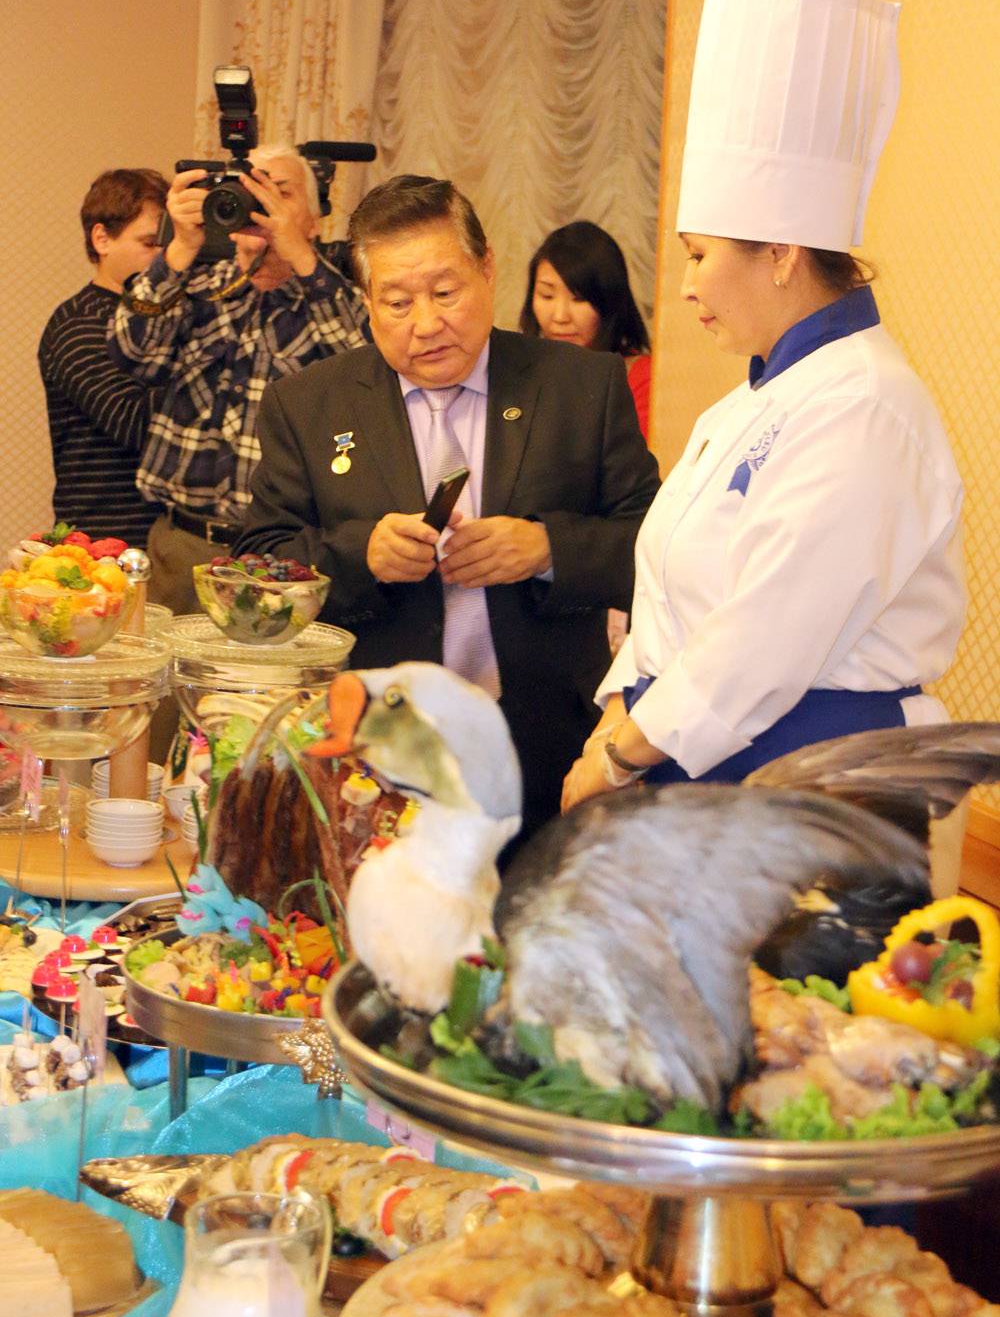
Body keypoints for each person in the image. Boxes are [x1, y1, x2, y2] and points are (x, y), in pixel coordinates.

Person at [562, 0, 965, 816]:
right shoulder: (741, 407)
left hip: (814, 787)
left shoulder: (866, 407)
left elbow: (761, 640)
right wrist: (613, 719)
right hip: (689, 768)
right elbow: (666, 604)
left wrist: (618, 759)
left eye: (699, 254)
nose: (686, 286)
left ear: (780, 253)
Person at [234, 174, 660, 839]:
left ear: (487, 269)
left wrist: (547, 550)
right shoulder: (309, 405)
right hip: (374, 755)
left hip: (548, 749)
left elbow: (657, 549)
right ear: (366, 302)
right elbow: (259, 567)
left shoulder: (581, 386)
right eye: (397, 302)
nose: (426, 324)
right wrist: (361, 555)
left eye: (444, 292)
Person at [108, 144, 368, 614]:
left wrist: (299, 254)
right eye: (247, 192)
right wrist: (180, 246)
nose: (259, 205)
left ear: (314, 220)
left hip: (285, 556)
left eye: (279, 193)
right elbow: (133, 352)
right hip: (181, 548)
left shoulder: (336, 299)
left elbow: (366, 365)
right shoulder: (195, 288)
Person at [38, 168, 168, 545]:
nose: (164, 256)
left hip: (164, 540)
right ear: (102, 238)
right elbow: (134, 423)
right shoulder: (80, 323)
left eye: (169, 243)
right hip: (105, 545)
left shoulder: (169, 316)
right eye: (149, 243)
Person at [520, 221, 652, 438]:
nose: (560, 317)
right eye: (547, 296)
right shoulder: (517, 372)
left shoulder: (641, 379)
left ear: (609, 300)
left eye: (579, 299)